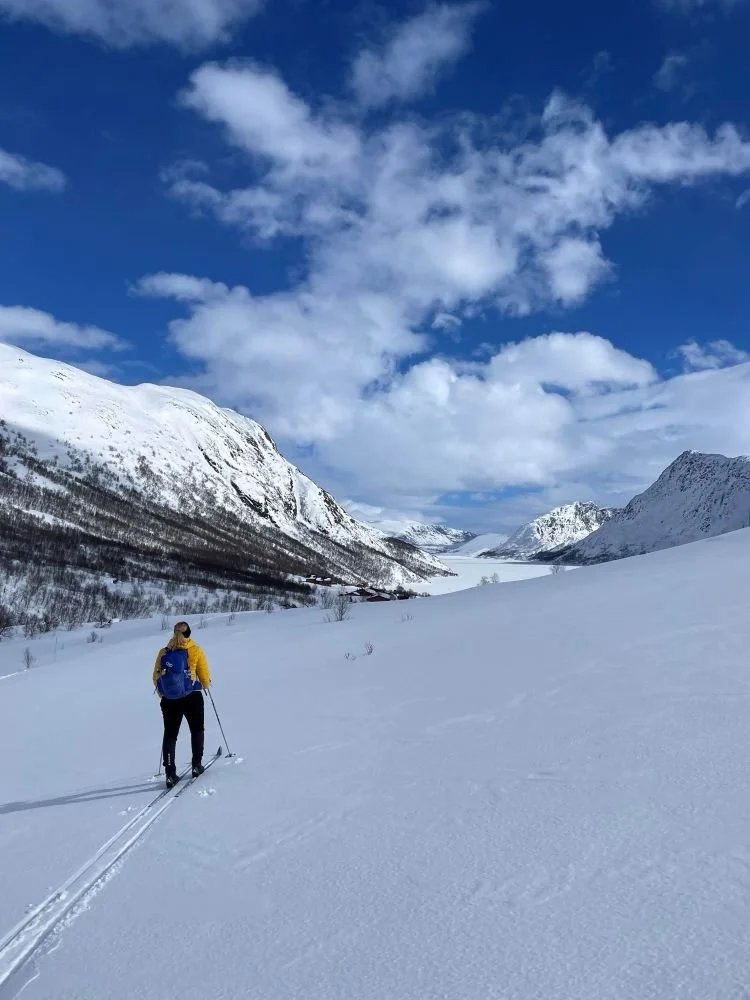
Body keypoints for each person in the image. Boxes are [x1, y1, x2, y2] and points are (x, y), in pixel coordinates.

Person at [153, 621, 212, 788]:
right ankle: (196, 765)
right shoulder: (196, 650)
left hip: (170, 700)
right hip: (192, 696)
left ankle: (170, 773)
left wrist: (164, 694)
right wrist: (205, 684)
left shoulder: (164, 652)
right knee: (197, 729)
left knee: (170, 735)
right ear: (189, 634)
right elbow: (205, 678)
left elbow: (155, 677)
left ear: (173, 633)